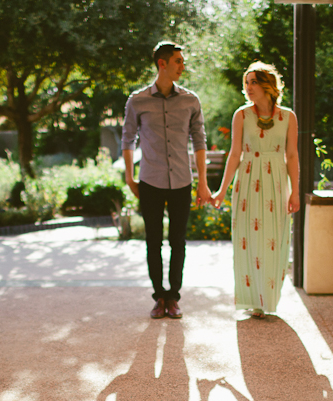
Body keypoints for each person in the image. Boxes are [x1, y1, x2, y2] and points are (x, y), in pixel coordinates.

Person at [122, 41, 213, 319]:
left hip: (182, 182)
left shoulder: (190, 100)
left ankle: (173, 297)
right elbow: (127, 140)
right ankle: (158, 296)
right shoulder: (137, 101)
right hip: (149, 181)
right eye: (178, 61)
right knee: (153, 241)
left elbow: (200, 141)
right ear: (162, 63)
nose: (182, 66)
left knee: (178, 241)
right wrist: (129, 177)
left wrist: (203, 182)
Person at [212, 61, 300, 318]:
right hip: (248, 181)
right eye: (246, 82)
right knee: (247, 239)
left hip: (276, 183)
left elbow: (292, 155)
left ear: (267, 86)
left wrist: (295, 191)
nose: (248, 87)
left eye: (254, 82)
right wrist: (221, 190)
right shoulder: (241, 115)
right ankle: (252, 299)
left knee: (274, 239)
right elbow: (235, 154)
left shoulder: (288, 117)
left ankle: (269, 298)